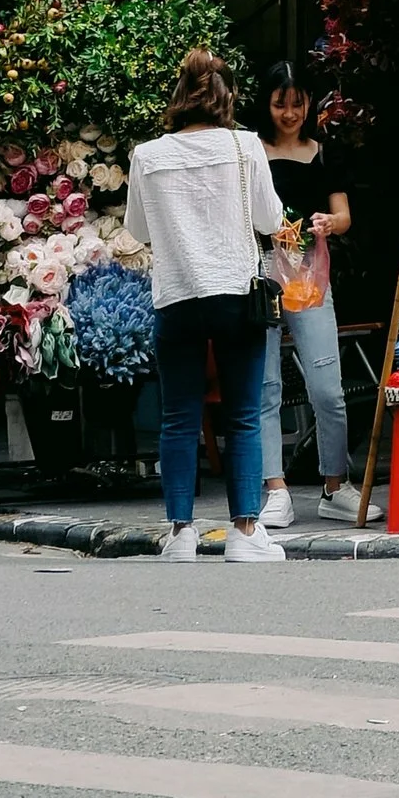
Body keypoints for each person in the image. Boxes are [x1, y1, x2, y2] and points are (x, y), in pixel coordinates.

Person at [123, 47, 286, 562]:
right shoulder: (245, 147)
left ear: (179, 97)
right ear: (226, 96)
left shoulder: (147, 155)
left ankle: (181, 532)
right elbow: (269, 217)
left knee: (179, 417)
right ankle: (244, 531)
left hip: (177, 294)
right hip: (236, 291)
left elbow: (137, 229)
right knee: (242, 415)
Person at [258, 62, 353, 526]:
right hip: (259, 274)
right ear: (266, 103)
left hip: (310, 275)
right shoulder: (251, 153)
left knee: (327, 388)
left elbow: (344, 215)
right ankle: (275, 489)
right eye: (281, 103)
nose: (290, 112)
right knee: (265, 388)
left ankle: (336, 485)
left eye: (298, 103)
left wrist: (329, 224)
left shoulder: (324, 152)